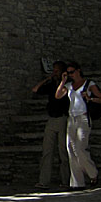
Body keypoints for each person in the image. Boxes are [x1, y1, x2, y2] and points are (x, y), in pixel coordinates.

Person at [55, 62, 101, 189]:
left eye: (72, 72)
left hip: (83, 118)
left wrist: (90, 98)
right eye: (68, 73)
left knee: (80, 147)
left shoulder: (89, 84)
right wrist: (63, 81)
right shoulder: (69, 86)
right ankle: (77, 182)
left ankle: (92, 173)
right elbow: (58, 95)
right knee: (70, 149)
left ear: (78, 71)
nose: (71, 75)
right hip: (72, 118)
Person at [31, 61, 70, 189]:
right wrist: (47, 79)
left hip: (63, 118)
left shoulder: (67, 85)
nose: (55, 73)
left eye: (57, 70)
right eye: (54, 70)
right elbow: (35, 89)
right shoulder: (51, 84)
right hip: (52, 118)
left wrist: (63, 80)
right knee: (47, 150)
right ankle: (44, 180)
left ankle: (66, 180)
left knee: (63, 151)